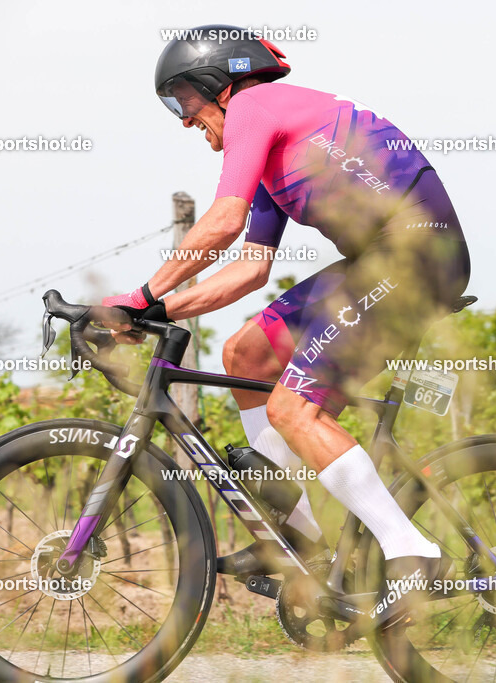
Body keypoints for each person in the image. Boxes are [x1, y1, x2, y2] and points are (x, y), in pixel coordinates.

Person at [103, 25, 469, 590]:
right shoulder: (276, 149)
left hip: (414, 256)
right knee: (244, 352)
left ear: (217, 81)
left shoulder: (255, 104)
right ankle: (299, 545)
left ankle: (410, 550)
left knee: (294, 410)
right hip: (382, 258)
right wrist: (157, 312)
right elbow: (251, 268)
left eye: (185, 100)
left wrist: (141, 295)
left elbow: (222, 222)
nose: (183, 119)